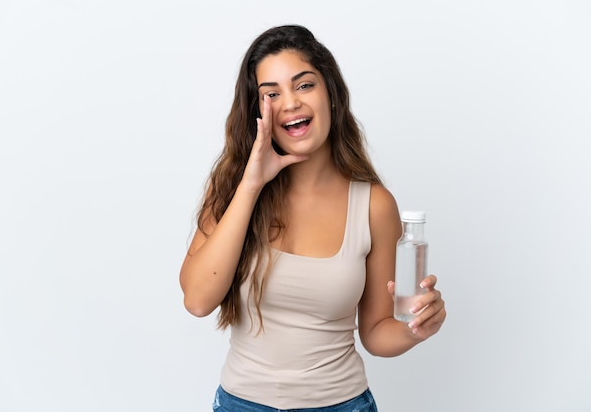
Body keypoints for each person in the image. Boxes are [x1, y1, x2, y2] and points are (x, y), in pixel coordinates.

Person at [180, 24, 446, 412]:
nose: (289, 103)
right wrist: (252, 184)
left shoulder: (374, 205)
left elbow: (375, 333)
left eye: (304, 85)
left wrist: (417, 327)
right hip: (241, 404)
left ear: (331, 94)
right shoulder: (232, 190)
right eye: (271, 94)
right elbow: (198, 300)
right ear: (258, 110)